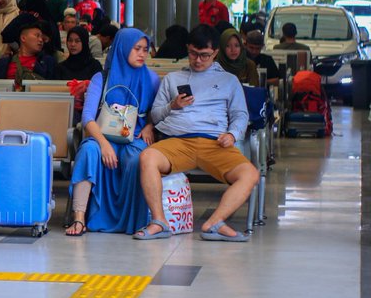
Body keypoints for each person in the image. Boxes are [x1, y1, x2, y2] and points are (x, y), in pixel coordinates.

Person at [134, 25, 259, 242]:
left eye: (204, 55)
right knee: (148, 157)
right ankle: (159, 221)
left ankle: (214, 222)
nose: (198, 60)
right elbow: (155, 115)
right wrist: (173, 105)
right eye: (193, 53)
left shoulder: (229, 80)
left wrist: (232, 134)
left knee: (250, 174)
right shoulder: (173, 78)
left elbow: (240, 114)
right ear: (187, 49)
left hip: (215, 143)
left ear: (215, 53)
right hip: (178, 141)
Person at [65, 28, 160, 235]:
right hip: (103, 136)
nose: (142, 54)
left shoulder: (151, 80)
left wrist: (149, 126)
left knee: (137, 159)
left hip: (133, 138)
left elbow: (157, 112)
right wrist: (104, 144)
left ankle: (133, 220)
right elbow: (88, 118)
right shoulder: (102, 78)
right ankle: (79, 218)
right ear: (123, 48)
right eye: (137, 49)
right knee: (89, 151)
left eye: (145, 49)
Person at [0, 14, 57, 82]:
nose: (41, 40)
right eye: (37, 36)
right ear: (23, 38)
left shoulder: (48, 63)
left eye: (42, 38)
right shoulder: (2, 63)